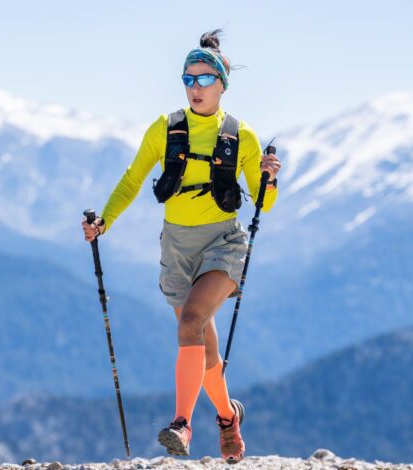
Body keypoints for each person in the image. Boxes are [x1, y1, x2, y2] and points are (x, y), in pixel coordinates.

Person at [81, 29, 282, 464]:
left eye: (204, 79)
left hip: (223, 244)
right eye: (188, 79)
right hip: (176, 248)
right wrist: (104, 221)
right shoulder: (165, 128)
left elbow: (263, 201)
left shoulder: (241, 137)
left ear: (222, 84)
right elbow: (133, 179)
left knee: (190, 322)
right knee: (204, 347)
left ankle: (182, 424)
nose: (195, 87)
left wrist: (269, 178)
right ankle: (228, 417)